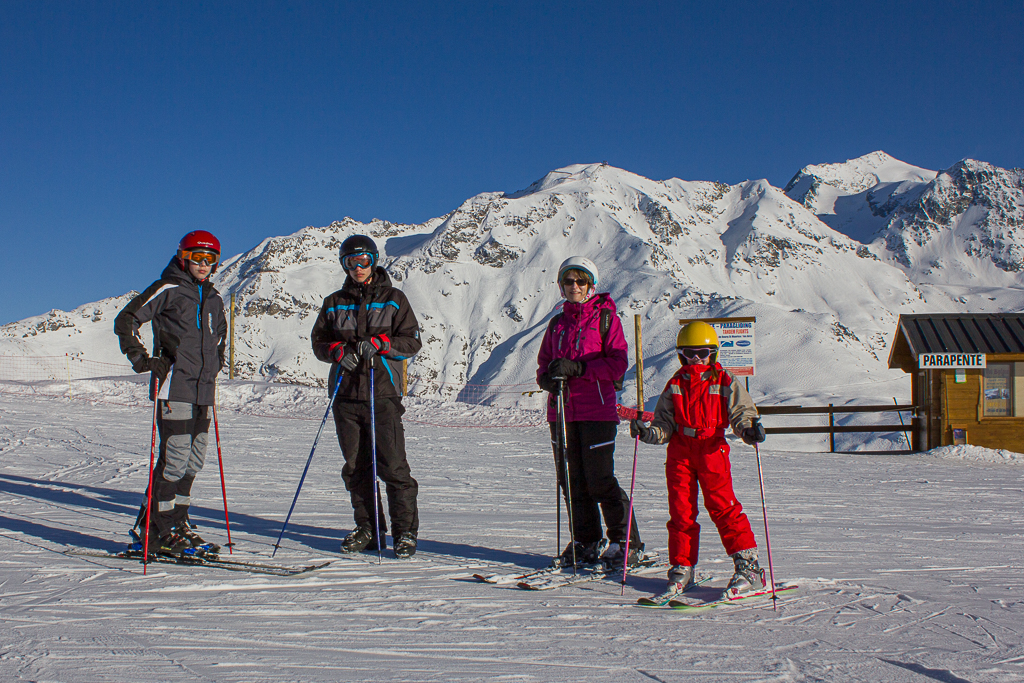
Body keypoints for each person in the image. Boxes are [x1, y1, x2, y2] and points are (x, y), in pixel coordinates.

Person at [630, 321, 768, 599]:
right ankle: (682, 566)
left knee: (723, 506)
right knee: (681, 510)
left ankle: (749, 568)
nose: (696, 359)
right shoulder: (675, 383)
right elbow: (664, 423)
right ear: (681, 355)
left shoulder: (724, 380)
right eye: (690, 353)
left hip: (711, 447)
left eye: (702, 353)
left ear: (713, 353)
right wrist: (649, 433)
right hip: (680, 448)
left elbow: (741, 410)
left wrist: (748, 429)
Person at [114, 230, 227, 555]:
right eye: (197, 257)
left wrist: (216, 364)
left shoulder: (215, 299)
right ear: (183, 257)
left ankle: (176, 523)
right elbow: (127, 319)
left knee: (193, 461)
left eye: (210, 259)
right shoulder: (168, 288)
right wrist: (141, 359)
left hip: (203, 391)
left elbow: (220, 338)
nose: (203, 264)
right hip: (174, 387)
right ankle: (159, 530)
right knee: (174, 460)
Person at [311, 234, 422, 559]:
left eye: (363, 261)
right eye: (351, 262)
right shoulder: (334, 302)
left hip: (383, 394)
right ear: (344, 265)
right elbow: (319, 341)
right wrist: (336, 351)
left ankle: (404, 533)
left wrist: (382, 344)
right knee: (356, 467)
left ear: (373, 261)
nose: (358, 267)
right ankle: (369, 529)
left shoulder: (394, 299)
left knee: (393, 466)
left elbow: (412, 341)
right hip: (345, 396)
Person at [536, 256, 642, 568]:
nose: (574, 286)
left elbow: (618, 364)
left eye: (580, 281)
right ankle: (586, 541)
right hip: (562, 412)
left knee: (599, 479)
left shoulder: (606, 319)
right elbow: (544, 363)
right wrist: (547, 379)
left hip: (596, 411)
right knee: (571, 481)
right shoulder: (557, 324)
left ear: (591, 285)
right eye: (568, 281)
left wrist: (579, 368)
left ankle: (625, 542)